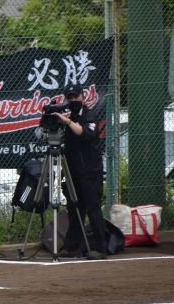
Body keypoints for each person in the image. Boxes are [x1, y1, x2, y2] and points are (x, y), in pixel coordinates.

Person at [52, 84, 107, 260]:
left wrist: (67, 121)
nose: (74, 100)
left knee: (93, 209)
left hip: (90, 173)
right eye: (70, 98)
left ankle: (100, 248)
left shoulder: (88, 115)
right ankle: (72, 246)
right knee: (75, 209)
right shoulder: (72, 118)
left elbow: (86, 133)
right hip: (73, 173)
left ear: (83, 97)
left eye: (76, 97)